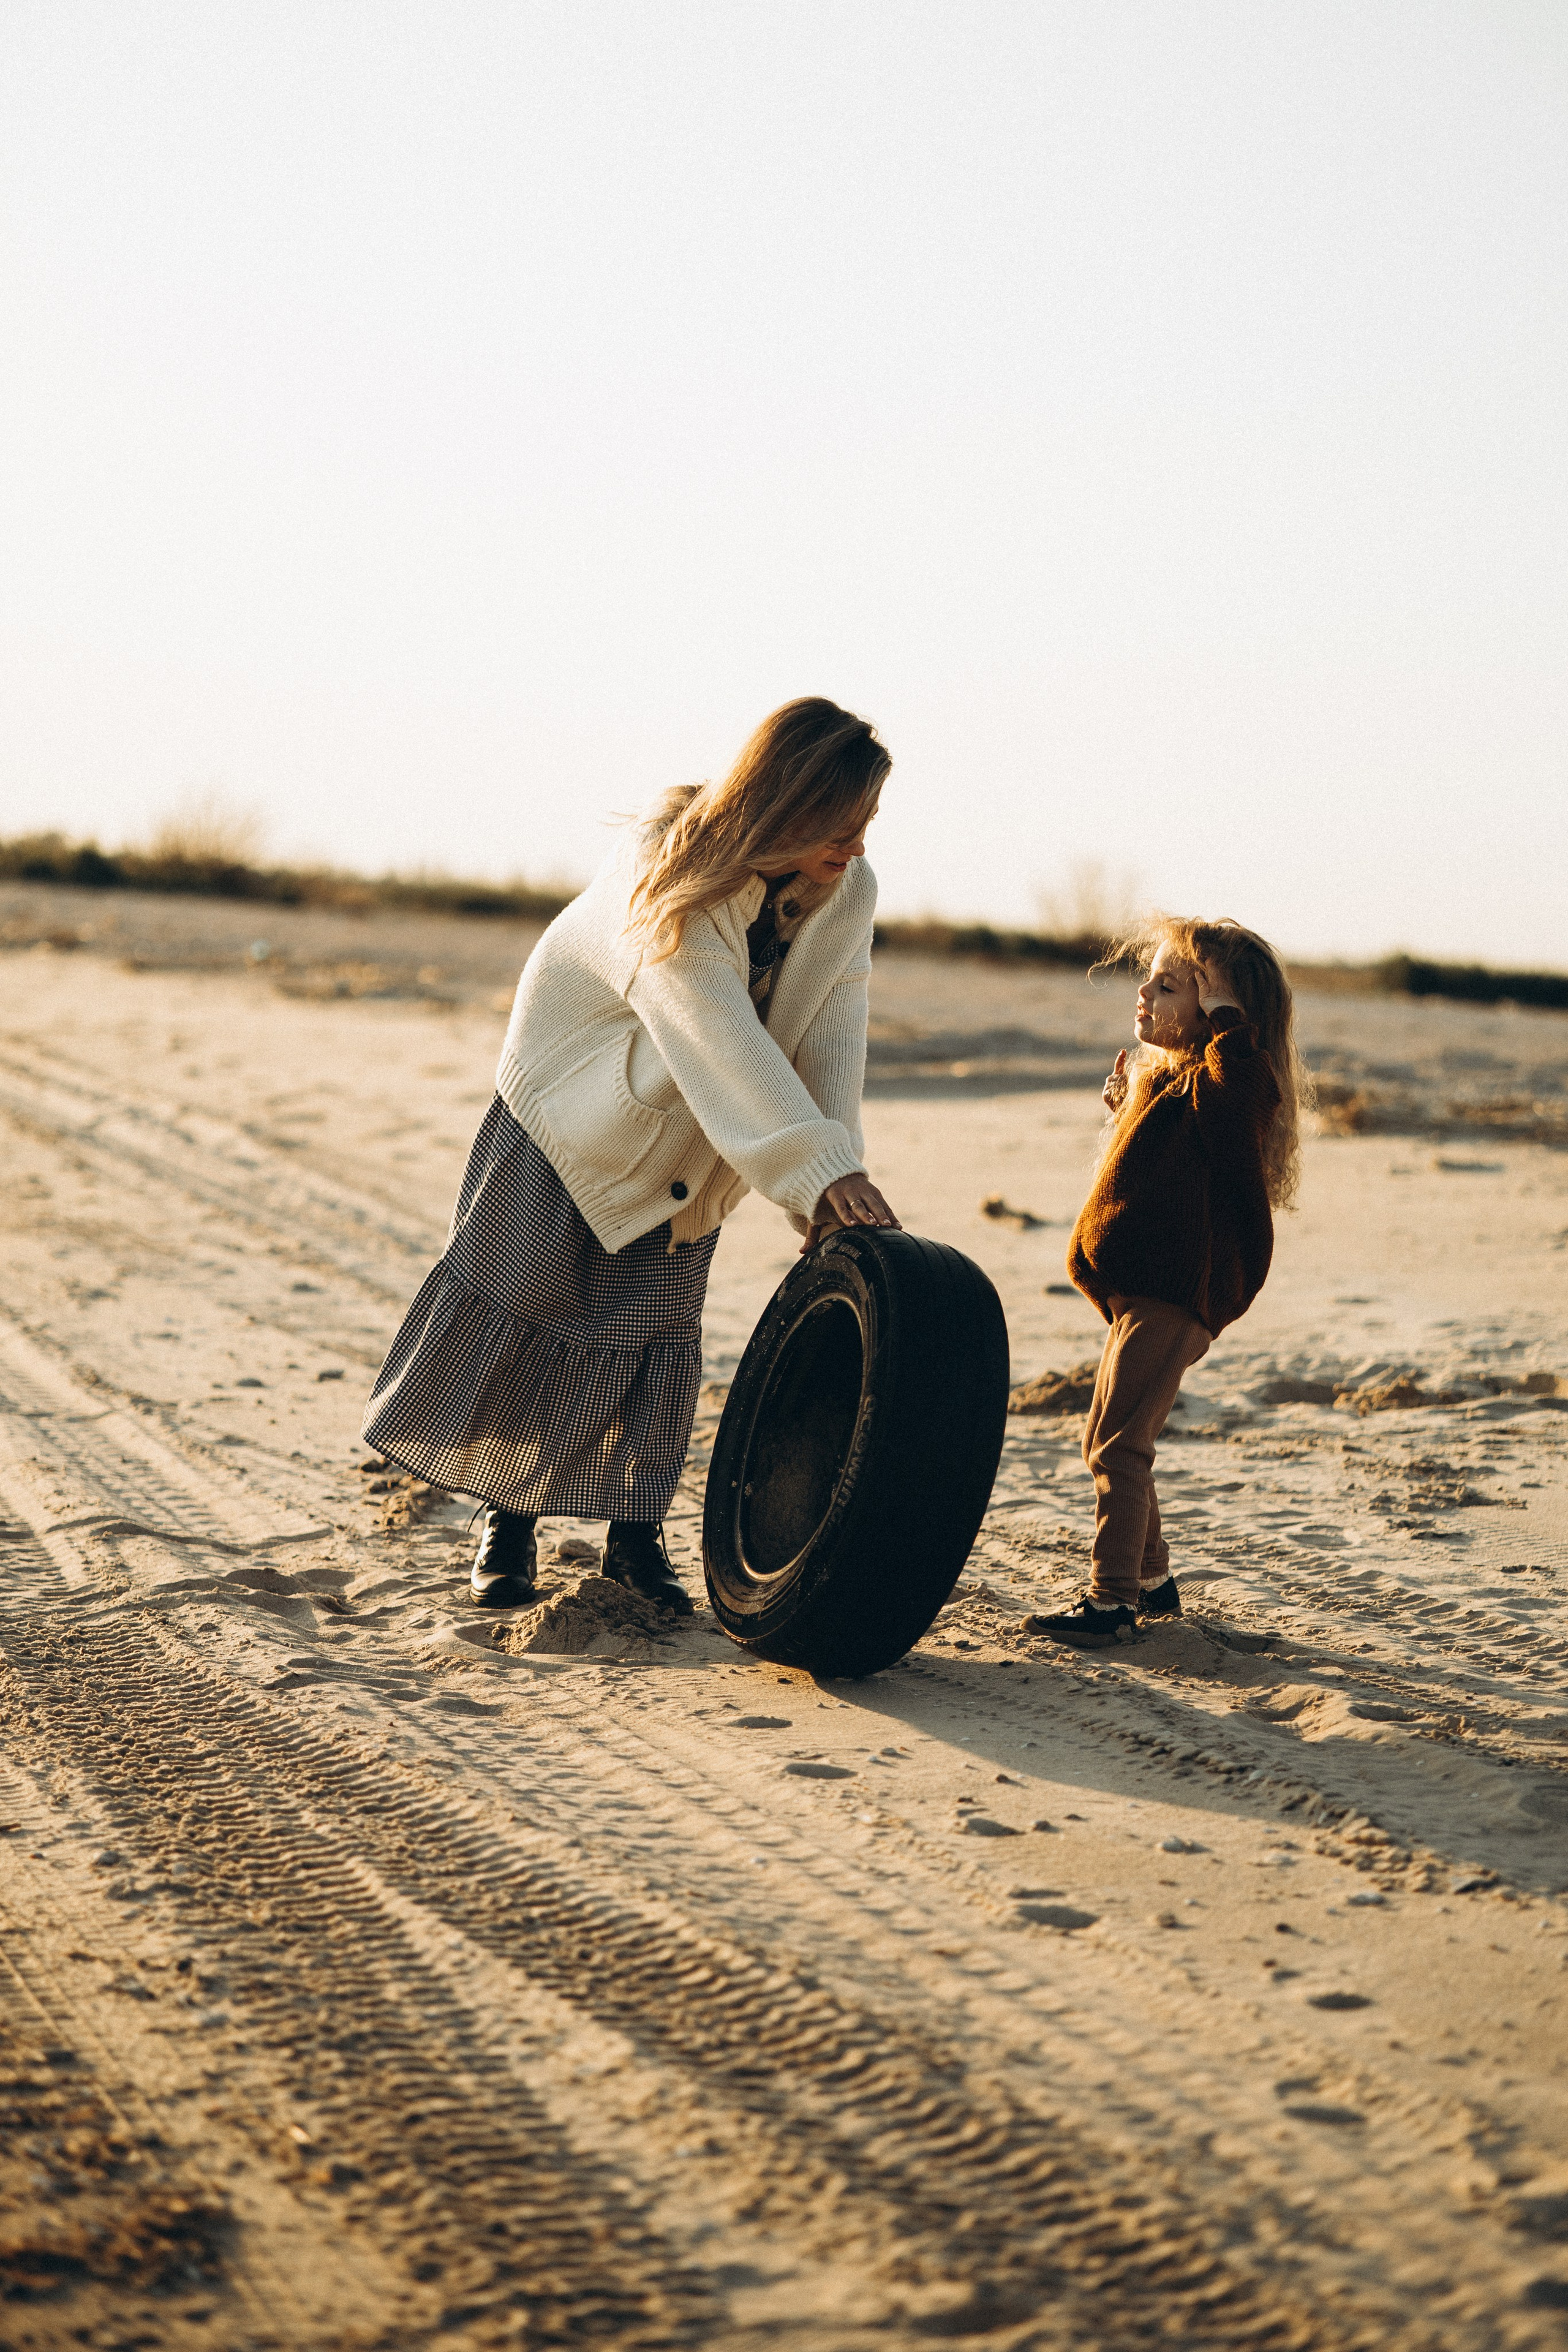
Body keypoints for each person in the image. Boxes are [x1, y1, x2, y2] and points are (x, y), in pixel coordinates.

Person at [361, 697, 901, 1615]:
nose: (857, 844)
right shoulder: (669, 858)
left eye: (868, 823)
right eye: (840, 824)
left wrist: (831, 1179)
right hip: (571, 1118)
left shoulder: (847, 893)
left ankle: (634, 1538)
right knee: (536, 1312)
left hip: (700, 1135)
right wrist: (817, 1168)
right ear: (787, 802)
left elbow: (830, 1034)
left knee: (657, 1333)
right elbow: (711, 1024)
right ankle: (508, 1520)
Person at [1028, 918, 1308, 1649]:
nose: (1145, 993)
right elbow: (1158, 1169)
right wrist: (1128, 1107)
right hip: (1141, 1294)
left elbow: (1236, 1097)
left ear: (1220, 1011)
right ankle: (1152, 1584)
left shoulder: (1235, 1083)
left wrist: (1228, 1023)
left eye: (1170, 986)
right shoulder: (1179, 1085)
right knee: (1104, 1437)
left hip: (1175, 1298)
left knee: (1120, 1447)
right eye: (1147, 980)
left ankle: (1111, 1601)